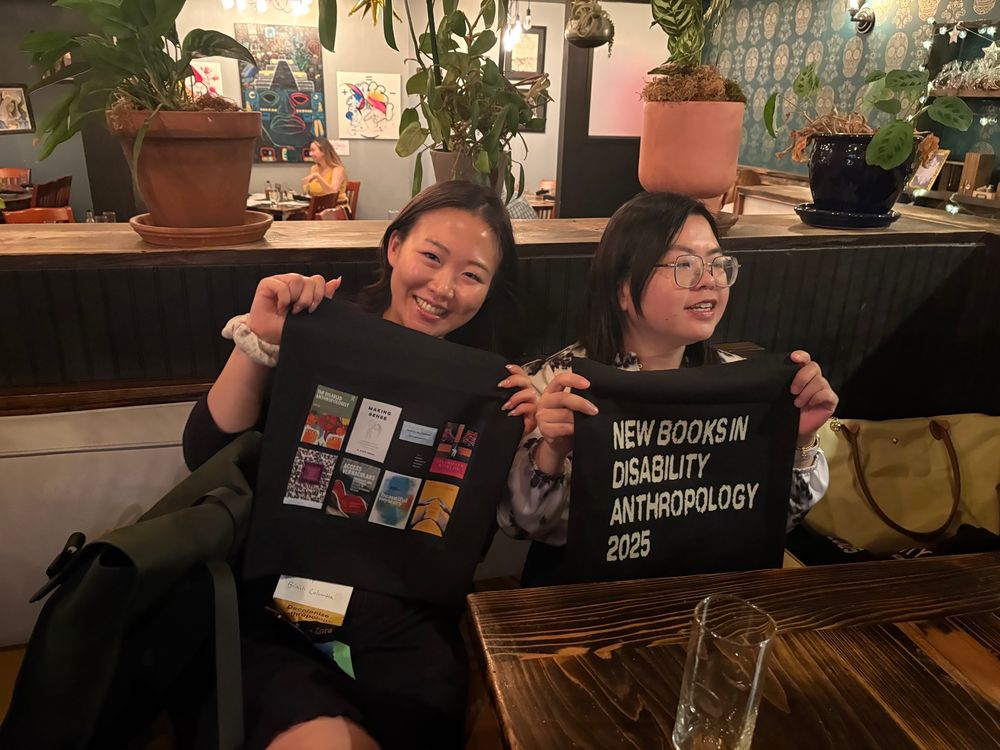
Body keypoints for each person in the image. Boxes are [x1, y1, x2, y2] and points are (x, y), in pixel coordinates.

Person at [183, 181, 536, 750]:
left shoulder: (490, 388)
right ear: (394, 247)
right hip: (283, 611)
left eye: (472, 275)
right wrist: (264, 338)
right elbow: (205, 449)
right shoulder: (321, 330)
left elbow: (474, 531)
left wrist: (522, 433)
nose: (444, 288)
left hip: (406, 631)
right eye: (432, 257)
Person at [498, 191, 839, 586]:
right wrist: (551, 451)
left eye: (717, 263)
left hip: (702, 596)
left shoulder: (739, 386)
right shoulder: (556, 385)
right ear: (622, 289)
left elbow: (780, 521)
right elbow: (519, 524)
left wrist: (798, 442)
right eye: (684, 264)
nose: (709, 280)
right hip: (583, 604)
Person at [302, 137, 350, 213]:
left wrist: (318, 176)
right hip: (319, 209)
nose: (311, 154)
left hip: (337, 210)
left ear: (323, 151)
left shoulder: (338, 169)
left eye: (313, 150)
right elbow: (309, 193)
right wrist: (306, 187)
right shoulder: (314, 168)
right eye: (310, 151)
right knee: (293, 217)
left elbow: (333, 193)